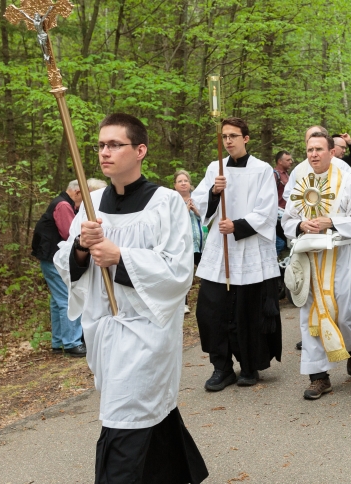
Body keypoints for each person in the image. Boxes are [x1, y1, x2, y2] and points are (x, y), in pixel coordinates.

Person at [54, 113, 208, 483]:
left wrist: (120, 257)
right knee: (146, 411)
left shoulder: (166, 203)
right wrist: (80, 247)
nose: (104, 153)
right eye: (101, 145)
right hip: (104, 330)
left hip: (146, 332)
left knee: (123, 418)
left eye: (114, 145)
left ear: (140, 150)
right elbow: (65, 262)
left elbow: (177, 271)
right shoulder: (90, 205)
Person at [192, 116, 282, 391]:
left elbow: (267, 209)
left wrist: (238, 225)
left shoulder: (262, 170)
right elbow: (197, 202)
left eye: (233, 136)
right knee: (213, 309)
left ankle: (249, 366)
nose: (227, 141)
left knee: (248, 310)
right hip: (221, 249)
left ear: (246, 138)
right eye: (224, 137)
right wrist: (213, 192)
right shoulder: (214, 168)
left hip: (250, 244)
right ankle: (222, 367)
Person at [281, 132, 351, 400]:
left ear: (332, 152)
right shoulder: (300, 181)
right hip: (310, 259)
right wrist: (300, 225)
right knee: (312, 316)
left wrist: (331, 222)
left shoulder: (348, 182)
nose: (313, 154)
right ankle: (318, 377)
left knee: (345, 311)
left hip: (340, 257)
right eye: (309, 149)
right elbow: (287, 219)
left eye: (319, 149)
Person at [31, 178, 104, 357]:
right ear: (78, 192)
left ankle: (58, 342)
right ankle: (72, 343)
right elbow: (69, 233)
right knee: (66, 297)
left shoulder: (63, 202)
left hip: (49, 257)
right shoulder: (64, 205)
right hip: (54, 258)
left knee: (57, 301)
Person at [175, 170, 204, 314]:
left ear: (190, 184)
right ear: (175, 185)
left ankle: (206, 300)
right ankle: (184, 304)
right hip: (183, 245)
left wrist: (197, 212)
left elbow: (208, 217)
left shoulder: (197, 199)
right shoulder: (173, 201)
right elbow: (172, 223)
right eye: (180, 181)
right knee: (184, 274)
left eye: (185, 180)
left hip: (199, 243)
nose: (183, 183)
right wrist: (185, 211)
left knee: (206, 271)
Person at [273, 150, 293, 255]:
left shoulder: (288, 176)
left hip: (286, 214)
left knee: (288, 244)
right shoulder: (274, 175)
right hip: (276, 216)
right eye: (288, 160)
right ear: (280, 161)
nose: (291, 162)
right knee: (280, 244)